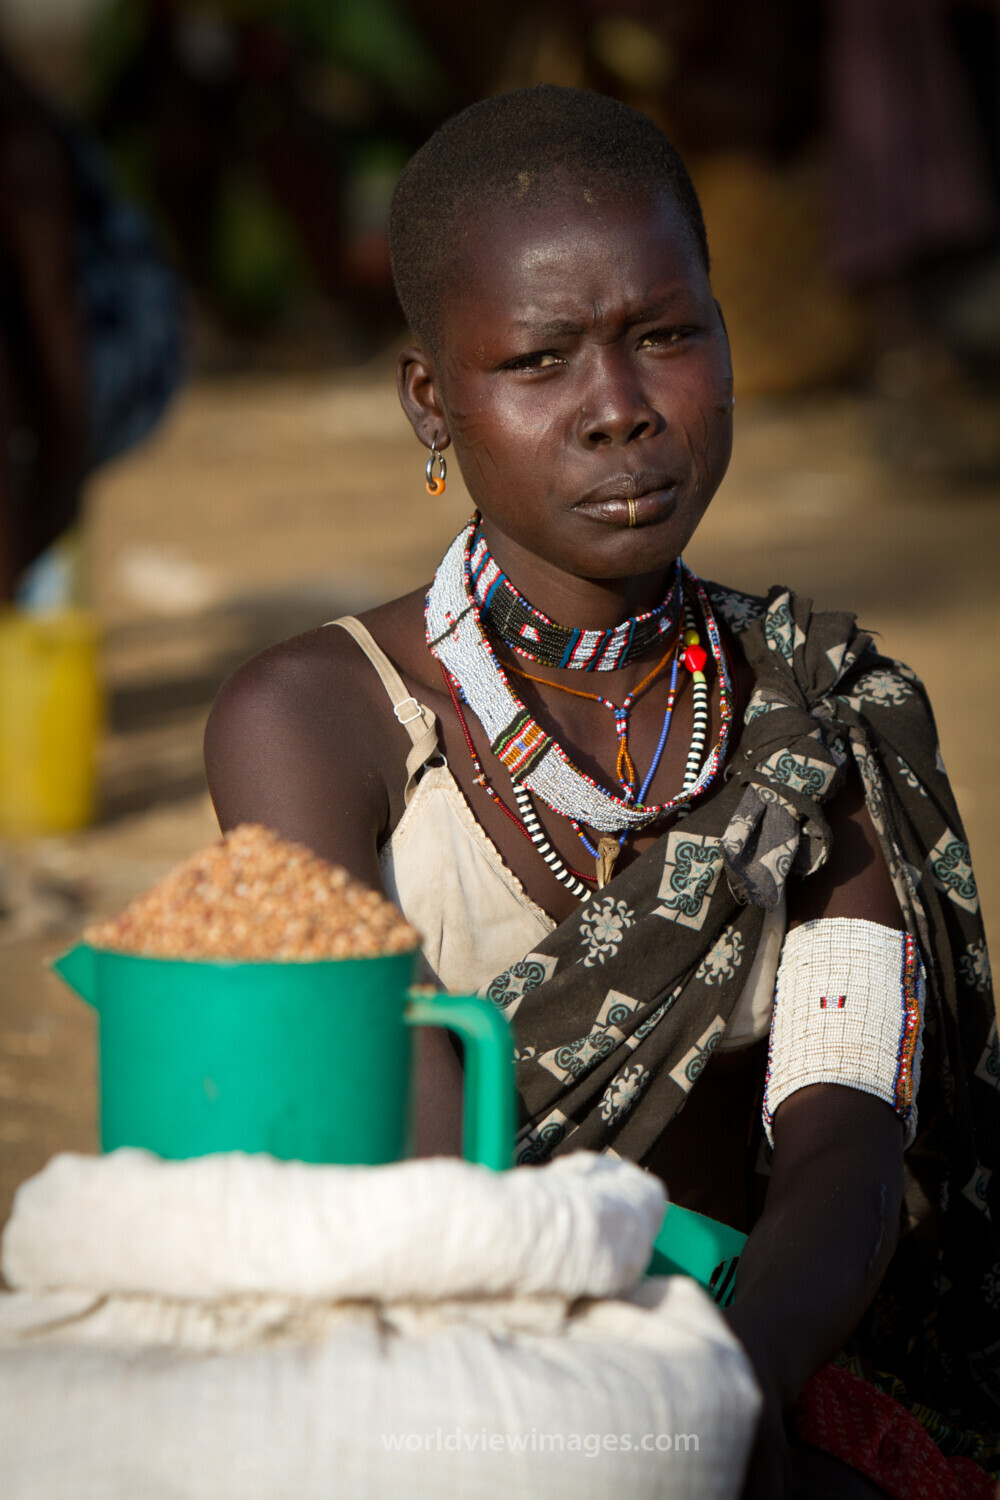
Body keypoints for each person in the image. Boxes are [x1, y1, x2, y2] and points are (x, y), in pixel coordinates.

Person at [204, 86, 998, 1497]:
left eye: (667, 337)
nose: (619, 411)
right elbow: (421, 1157)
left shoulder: (815, 708)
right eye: (541, 360)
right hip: (441, 1392)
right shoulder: (314, 722)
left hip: (750, 1364)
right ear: (431, 402)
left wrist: (725, 1390)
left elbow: (846, 1135)